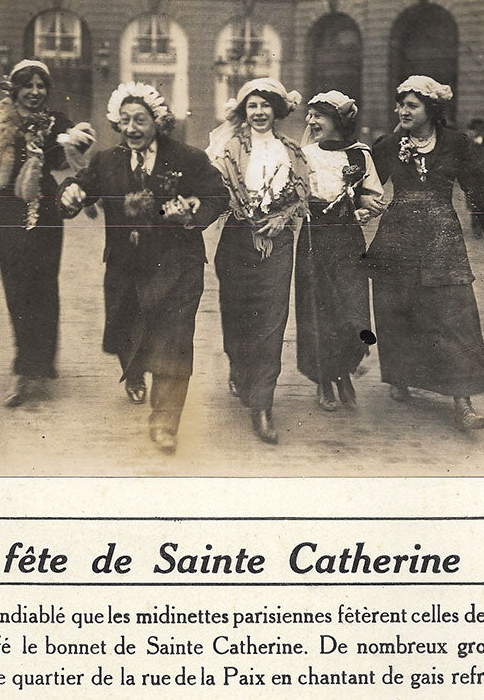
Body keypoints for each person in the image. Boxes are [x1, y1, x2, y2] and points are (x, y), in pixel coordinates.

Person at [58, 82, 227, 454]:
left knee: (175, 342)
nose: (132, 128)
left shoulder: (188, 159)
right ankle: (134, 373)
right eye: (125, 121)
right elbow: (79, 187)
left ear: (158, 121)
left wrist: (193, 210)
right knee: (128, 333)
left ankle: (166, 421)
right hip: (126, 269)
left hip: (177, 268)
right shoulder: (107, 161)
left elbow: (218, 195)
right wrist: (69, 194)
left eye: (140, 120)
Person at [365, 75, 484, 432]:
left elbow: (475, 190)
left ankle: (463, 401)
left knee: (454, 315)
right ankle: (399, 376)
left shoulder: (455, 143)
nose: (402, 111)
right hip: (397, 238)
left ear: (431, 109)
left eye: (411, 106)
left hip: (442, 238)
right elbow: (366, 187)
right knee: (397, 308)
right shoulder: (388, 144)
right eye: (400, 105)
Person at [0, 59, 94, 407]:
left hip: (46, 206)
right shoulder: (2, 120)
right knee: (16, 284)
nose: (35, 92)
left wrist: (73, 142)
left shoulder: (57, 121)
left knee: (44, 282)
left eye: (41, 86)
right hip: (10, 206)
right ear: (15, 90)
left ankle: (42, 361)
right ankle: (23, 365)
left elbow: (71, 158)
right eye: (28, 86)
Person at [207, 77, 310, 444]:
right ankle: (238, 364)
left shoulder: (291, 150)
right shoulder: (230, 148)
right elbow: (217, 189)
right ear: (243, 111)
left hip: (278, 241)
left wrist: (283, 217)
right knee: (236, 314)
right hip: (237, 239)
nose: (259, 112)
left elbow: (301, 193)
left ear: (277, 111)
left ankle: (262, 403)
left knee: (271, 319)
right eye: (252, 105)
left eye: (266, 105)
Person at [295, 90, 384, 411]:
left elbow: (371, 195)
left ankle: (345, 370)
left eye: (318, 116)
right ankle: (324, 381)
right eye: (310, 115)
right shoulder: (304, 155)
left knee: (352, 309)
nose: (311, 121)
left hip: (348, 240)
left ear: (337, 121)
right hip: (313, 239)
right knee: (319, 311)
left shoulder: (361, 155)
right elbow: (294, 195)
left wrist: (366, 207)